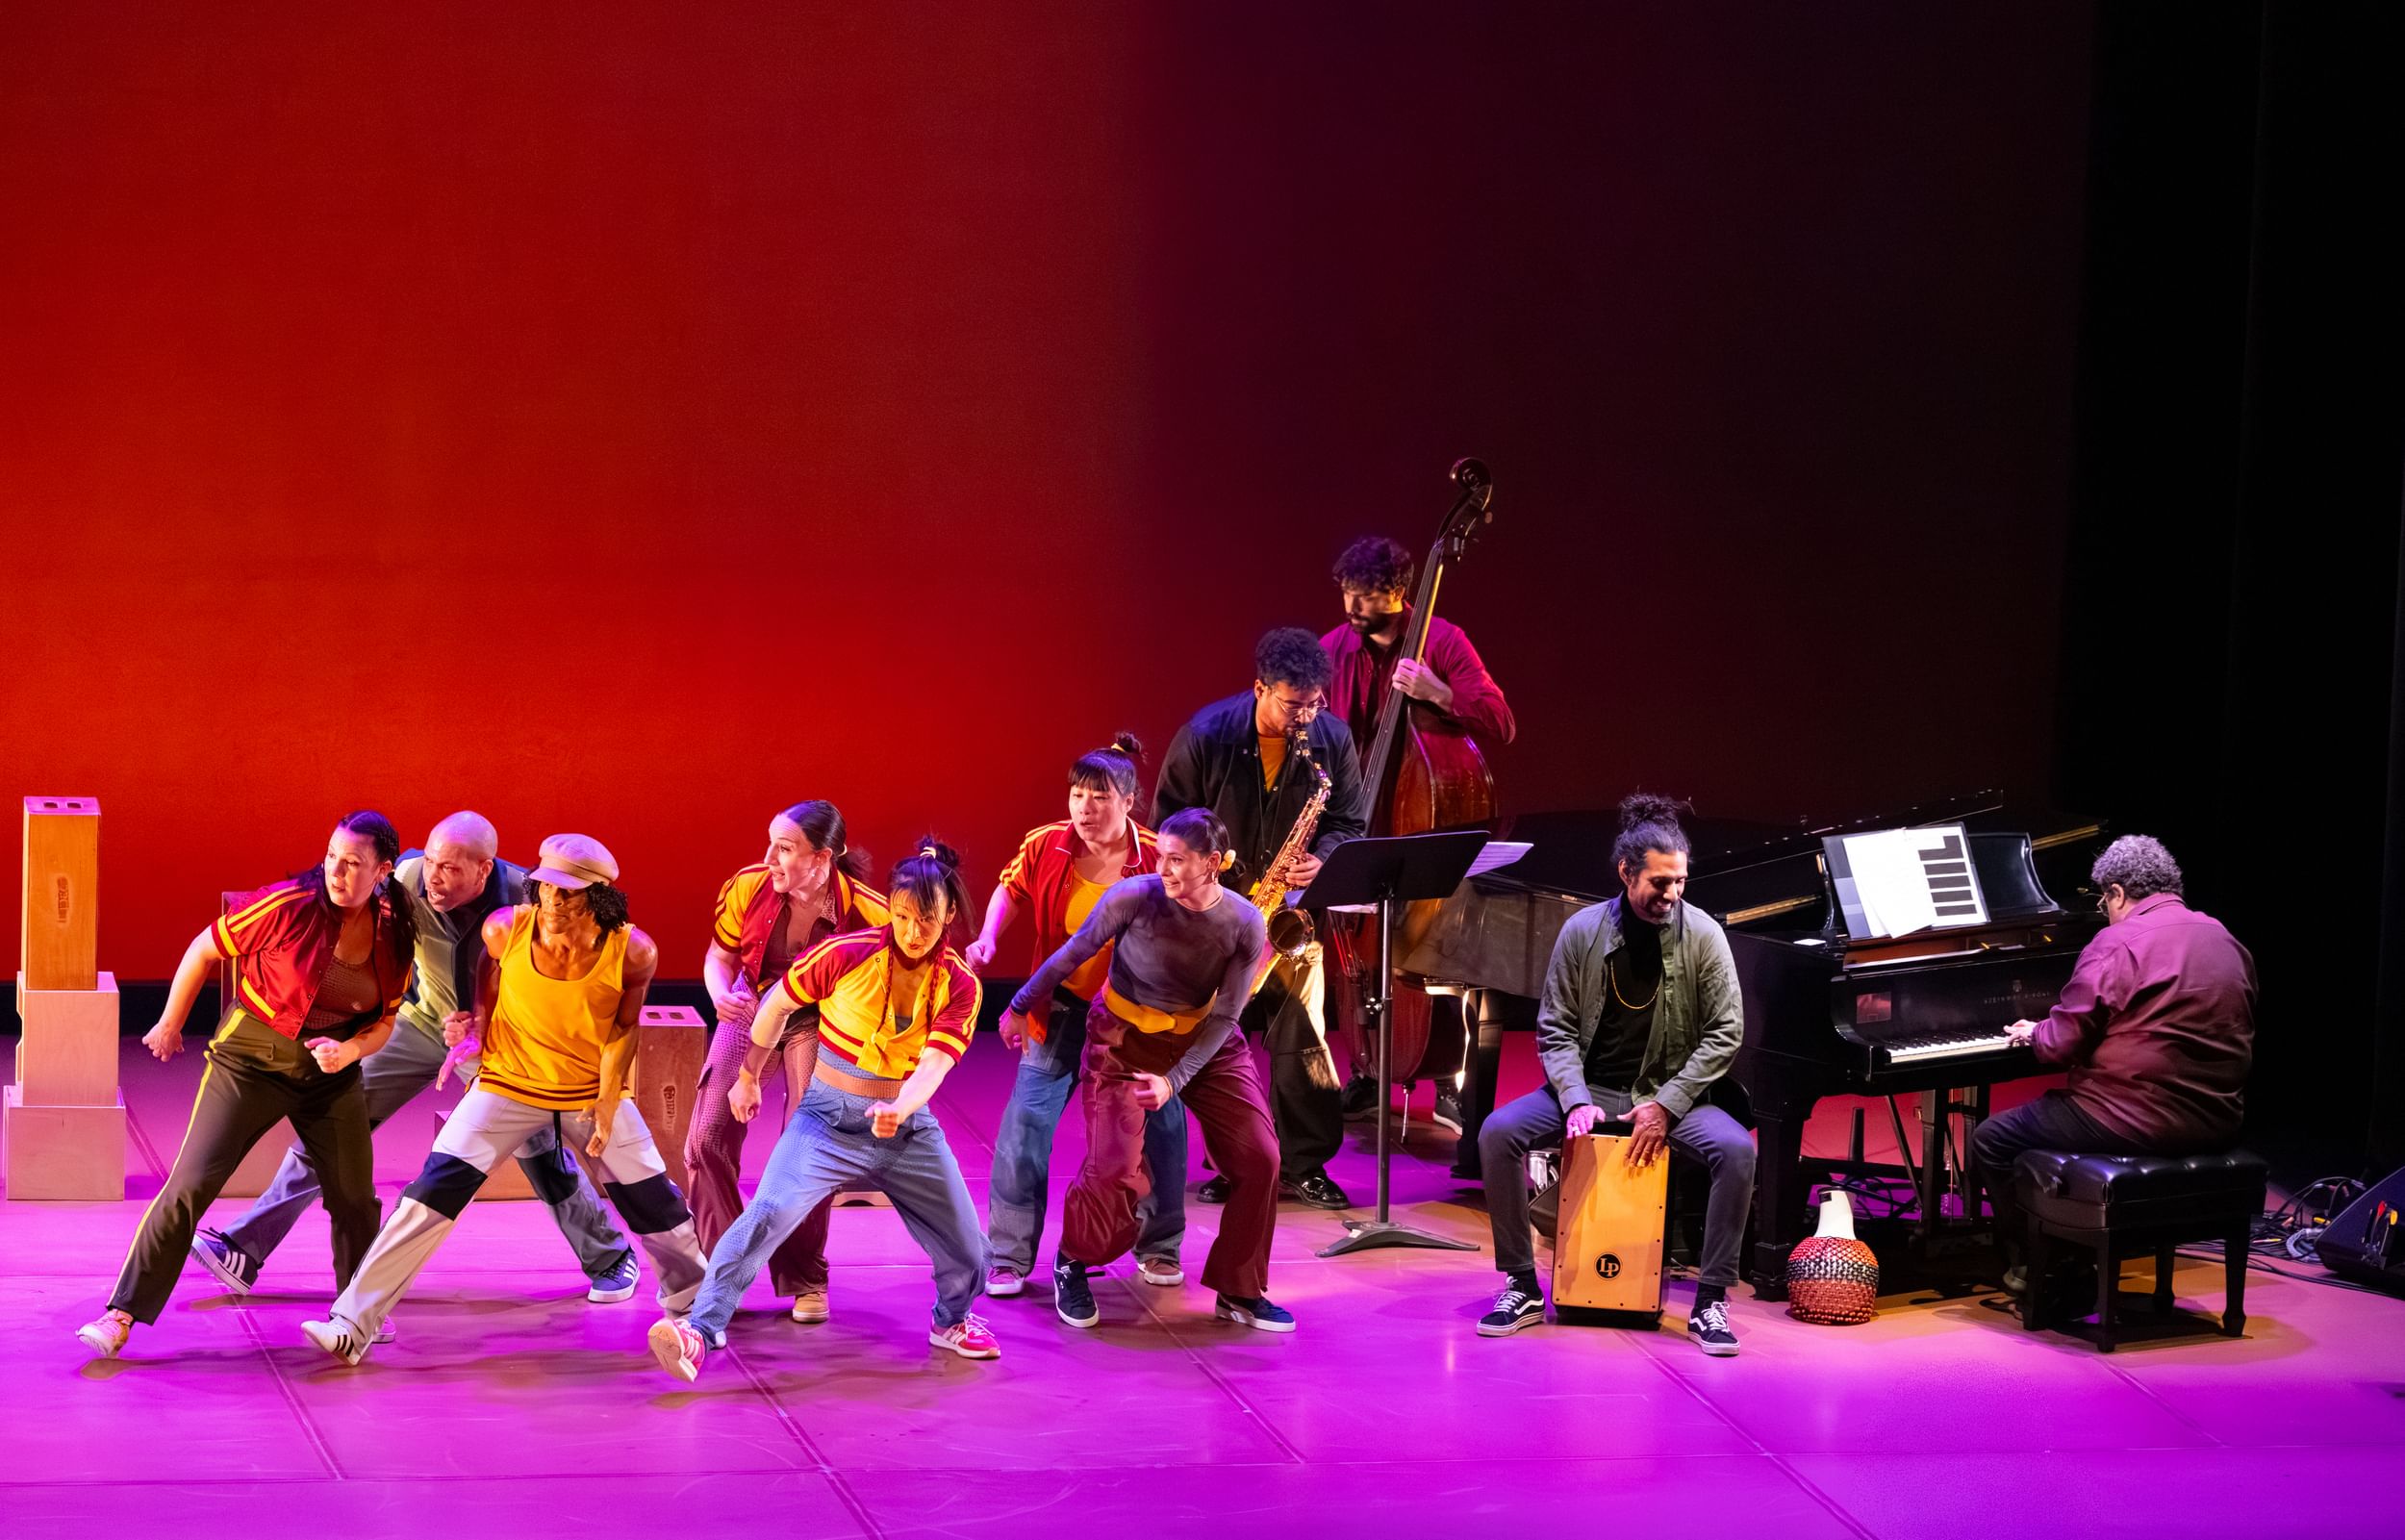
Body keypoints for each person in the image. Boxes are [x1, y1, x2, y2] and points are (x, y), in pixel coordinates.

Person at [190, 812, 637, 1308]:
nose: (434, 878)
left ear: (484, 869)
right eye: (430, 863)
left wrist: (484, 1026)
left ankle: (610, 1255)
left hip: (498, 1042)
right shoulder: (403, 878)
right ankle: (245, 1247)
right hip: (422, 1024)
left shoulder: (528, 899)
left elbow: (558, 981)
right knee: (337, 1121)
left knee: (539, 1152)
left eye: (449, 869)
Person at [298, 835, 707, 1364]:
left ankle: (699, 1314)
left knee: (656, 1205)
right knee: (428, 1195)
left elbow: (624, 1030)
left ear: (600, 899)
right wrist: (477, 1034)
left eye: (570, 896)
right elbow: (487, 982)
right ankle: (353, 1323)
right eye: (546, 891)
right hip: (507, 1084)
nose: (553, 905)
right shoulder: (506, 928)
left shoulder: (632, 950)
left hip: (588, 1090)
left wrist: (608, 1101)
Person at [650, 840, 998, 1381]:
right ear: (892, 907)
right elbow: (778, 1003)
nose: (912, 931)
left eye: (926, 921)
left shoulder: (959, 984)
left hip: (908, 1131)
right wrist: (747, 1076)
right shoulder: (848, 952)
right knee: (768, 1214)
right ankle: (701, 1328)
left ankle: (951, 1319)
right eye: (903, 916)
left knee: (970, 1248)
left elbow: (933, 1065)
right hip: (827, 1121)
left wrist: (902, 1108)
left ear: (949, 915)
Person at [78, 812, 417, 1358]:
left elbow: (385, 1020)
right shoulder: (289, 905)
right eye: (332, 856)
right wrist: (169, 1022)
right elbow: (204, 948)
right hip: (248, 1063)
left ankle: (358, 1312)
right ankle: (121, 1314)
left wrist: (350, 1050)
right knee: (190, 1186)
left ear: (383, 870)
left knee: (355, 1198)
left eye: (354, 863)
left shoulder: (395, 931)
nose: (337, 870)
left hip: (328, 1076)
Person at [1471, 795, 1755, 1357]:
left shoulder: (1704, 935)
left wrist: (1668, 1105)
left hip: (1675, 1094)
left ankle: (1712, 1299)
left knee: (1736, 1151)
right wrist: (1574, 1099)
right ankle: (1522, 1286)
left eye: (1680, 882)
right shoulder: (1582, 932)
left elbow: (1726, 1031)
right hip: (1592, 1087)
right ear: (1626, 872)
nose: (1672, 895)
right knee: (1498, 1133)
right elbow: (1555, 1028)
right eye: (1660, 882)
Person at [1004, 808, 1291, 1331]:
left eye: (1178, 860)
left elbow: (1227, 1014)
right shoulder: (1133, 896)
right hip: (1124, 1042)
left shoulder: (1245, 922)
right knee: (1114, 1170)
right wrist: (1020, 1005)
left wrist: (1175, 1080)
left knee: (1262, 1158)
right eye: (1162, 857)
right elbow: (1073, 954)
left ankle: (1240, 1289)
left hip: (1206, 1044)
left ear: (1214, 864)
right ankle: (1074, 1260)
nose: (1164, 869)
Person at [1975, 834, 2257, 1291]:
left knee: (1992, 1139)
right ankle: (2076, 1242)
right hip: (2217, 1119)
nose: (2104, 909)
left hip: (2130, 1119)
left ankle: (2039, 1263)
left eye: (2104, 898)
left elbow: (2061, 1046)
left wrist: (2037, 1030)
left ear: (2118, 892)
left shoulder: (2118, 943)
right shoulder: (2224, 937)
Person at [966, 734, 1190, 1298]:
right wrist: (989, 938)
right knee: (1025, 1129)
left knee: (1161, 1126)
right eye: (1076, 795)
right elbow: (1008, 890)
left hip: (1137, 1020)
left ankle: (1159, 1245)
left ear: (1130, 800)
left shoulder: (1158, 855)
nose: (1085, 808)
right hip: (1061, 1009)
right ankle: (1010, 1257)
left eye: (1099, 796)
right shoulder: (1048, 844)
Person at [1152, 626, 1369, 1210]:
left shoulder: (1332, 739)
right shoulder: (1205, 735)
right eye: (1293, 705)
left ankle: (1305, 1164)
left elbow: (1351, 821)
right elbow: (1166, 823)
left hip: (1289, 918)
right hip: (1216, 913)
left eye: (1315, 704)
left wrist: (1323, 858)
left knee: (1305, 1042)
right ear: (1259, 689)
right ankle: (1232, 1162)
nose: (1306, 718)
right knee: (1221, 1046)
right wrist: (1205, 874)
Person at [1318, 534, 1518, 1136]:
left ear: (1399, 593)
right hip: (1359, 822)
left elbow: (1501, 721)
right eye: (1347, 593)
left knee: (1438, 955)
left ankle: (1452, 1079)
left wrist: (1440, 694)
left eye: (1367, 595)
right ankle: (1368, 1067)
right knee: (1354, 954)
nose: (1352, 607)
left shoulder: (1444, 641)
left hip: (1419, 829)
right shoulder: (1335, 648)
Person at [687, 800, 889, 1325]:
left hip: (819, 1019)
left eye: (785, 848)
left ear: (823, 858)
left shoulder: (869, 912)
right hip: (750, 1005)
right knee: (706, 1138)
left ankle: (806, 1277)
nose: (769, 858)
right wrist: (718, 995)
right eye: (770, 843)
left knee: (808, 1141)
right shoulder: (749, 887)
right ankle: (728, 1265)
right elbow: (719, 955)